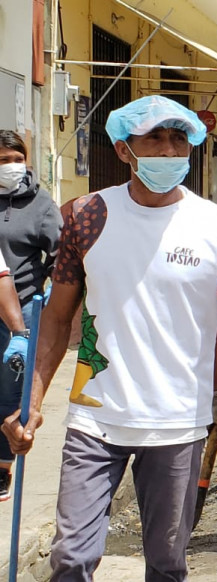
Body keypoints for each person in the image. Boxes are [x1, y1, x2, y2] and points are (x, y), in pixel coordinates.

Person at [0, 95, 217, 582]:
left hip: (178, 423)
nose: (170, 150)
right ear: (124, 148)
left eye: (179, 138)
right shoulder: (85, 215)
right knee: (71, 559)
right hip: (95, 417)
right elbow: (58, 318)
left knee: (167, 565)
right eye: (155, 138)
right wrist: (34, 399)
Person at [0, 130, 60, 501]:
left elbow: (59, 252)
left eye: (15, 159)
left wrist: (52, 290)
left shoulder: (40, 205)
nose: (10, 166)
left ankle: (3, 464)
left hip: (21, 305)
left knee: (11, 386)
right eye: (2, 161)